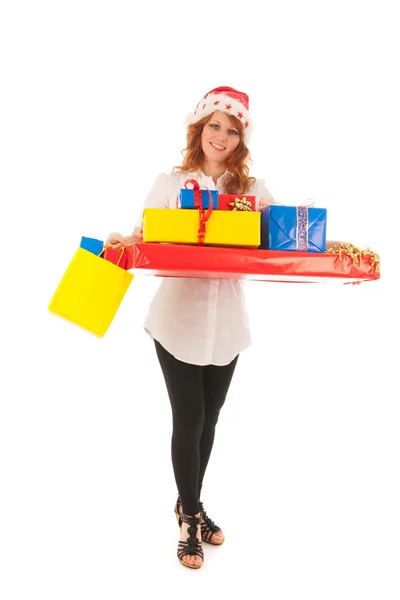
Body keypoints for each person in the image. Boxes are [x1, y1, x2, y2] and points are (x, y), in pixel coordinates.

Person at [105, 86, 278, 569]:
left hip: (226, 324)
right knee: (190, 419)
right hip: (176, 319)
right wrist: (121, 238)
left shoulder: (252, 192)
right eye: (214, 125)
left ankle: (190, 503)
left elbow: (283, 236)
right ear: (199, 129)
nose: (220, 136)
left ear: (241, 138)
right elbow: (144, 235)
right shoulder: (171, 182)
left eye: (232, 128)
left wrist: (326, 245)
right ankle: (190, 519)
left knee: (212, 419)